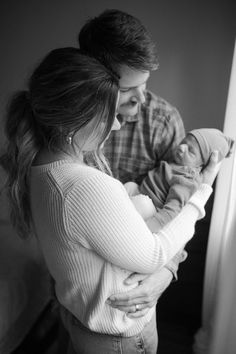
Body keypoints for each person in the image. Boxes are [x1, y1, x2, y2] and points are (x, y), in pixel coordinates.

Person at [0, 46, 220, 353]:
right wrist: (203, 192)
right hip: (117, 338)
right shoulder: (84, 186)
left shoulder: (40, 166)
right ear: (71, 124)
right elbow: (154, 254)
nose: (116, 124)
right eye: (108, 116)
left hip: (83, 320)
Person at [78, 8, 188, 316]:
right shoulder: (69, 125)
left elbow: (179, 208)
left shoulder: (163, 121)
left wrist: (164, 274)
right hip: (78, 290)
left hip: (133, 297)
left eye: (145, 84)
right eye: (126, 89)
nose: (140, 100)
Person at [125, 128, 234, 230]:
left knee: (141, 203)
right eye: (183, 142)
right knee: (129, 186)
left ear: (201, 164)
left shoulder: (186, 179)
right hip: (140, 191)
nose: (182, 147)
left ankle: (128, 227)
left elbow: (172, 210)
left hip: (151, 208)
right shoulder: (178, 162)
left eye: (191, 151)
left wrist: (149, 228)